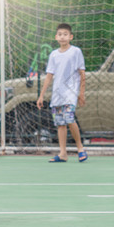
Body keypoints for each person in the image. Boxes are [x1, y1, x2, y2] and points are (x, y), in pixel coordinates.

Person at [37, 23, 88, 163]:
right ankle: (63, 153)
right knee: (60, 124)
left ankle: (80, 149)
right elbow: (49, 76)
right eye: (60, 34)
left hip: (70, 93)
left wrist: (81, 93)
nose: (62, 37)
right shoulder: (53, 55)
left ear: (70, 36)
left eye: (65, 34)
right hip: (57, 95)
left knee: (69, 119)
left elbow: (82, 73)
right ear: (56, 37)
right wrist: (41, 95)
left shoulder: (76, 52)